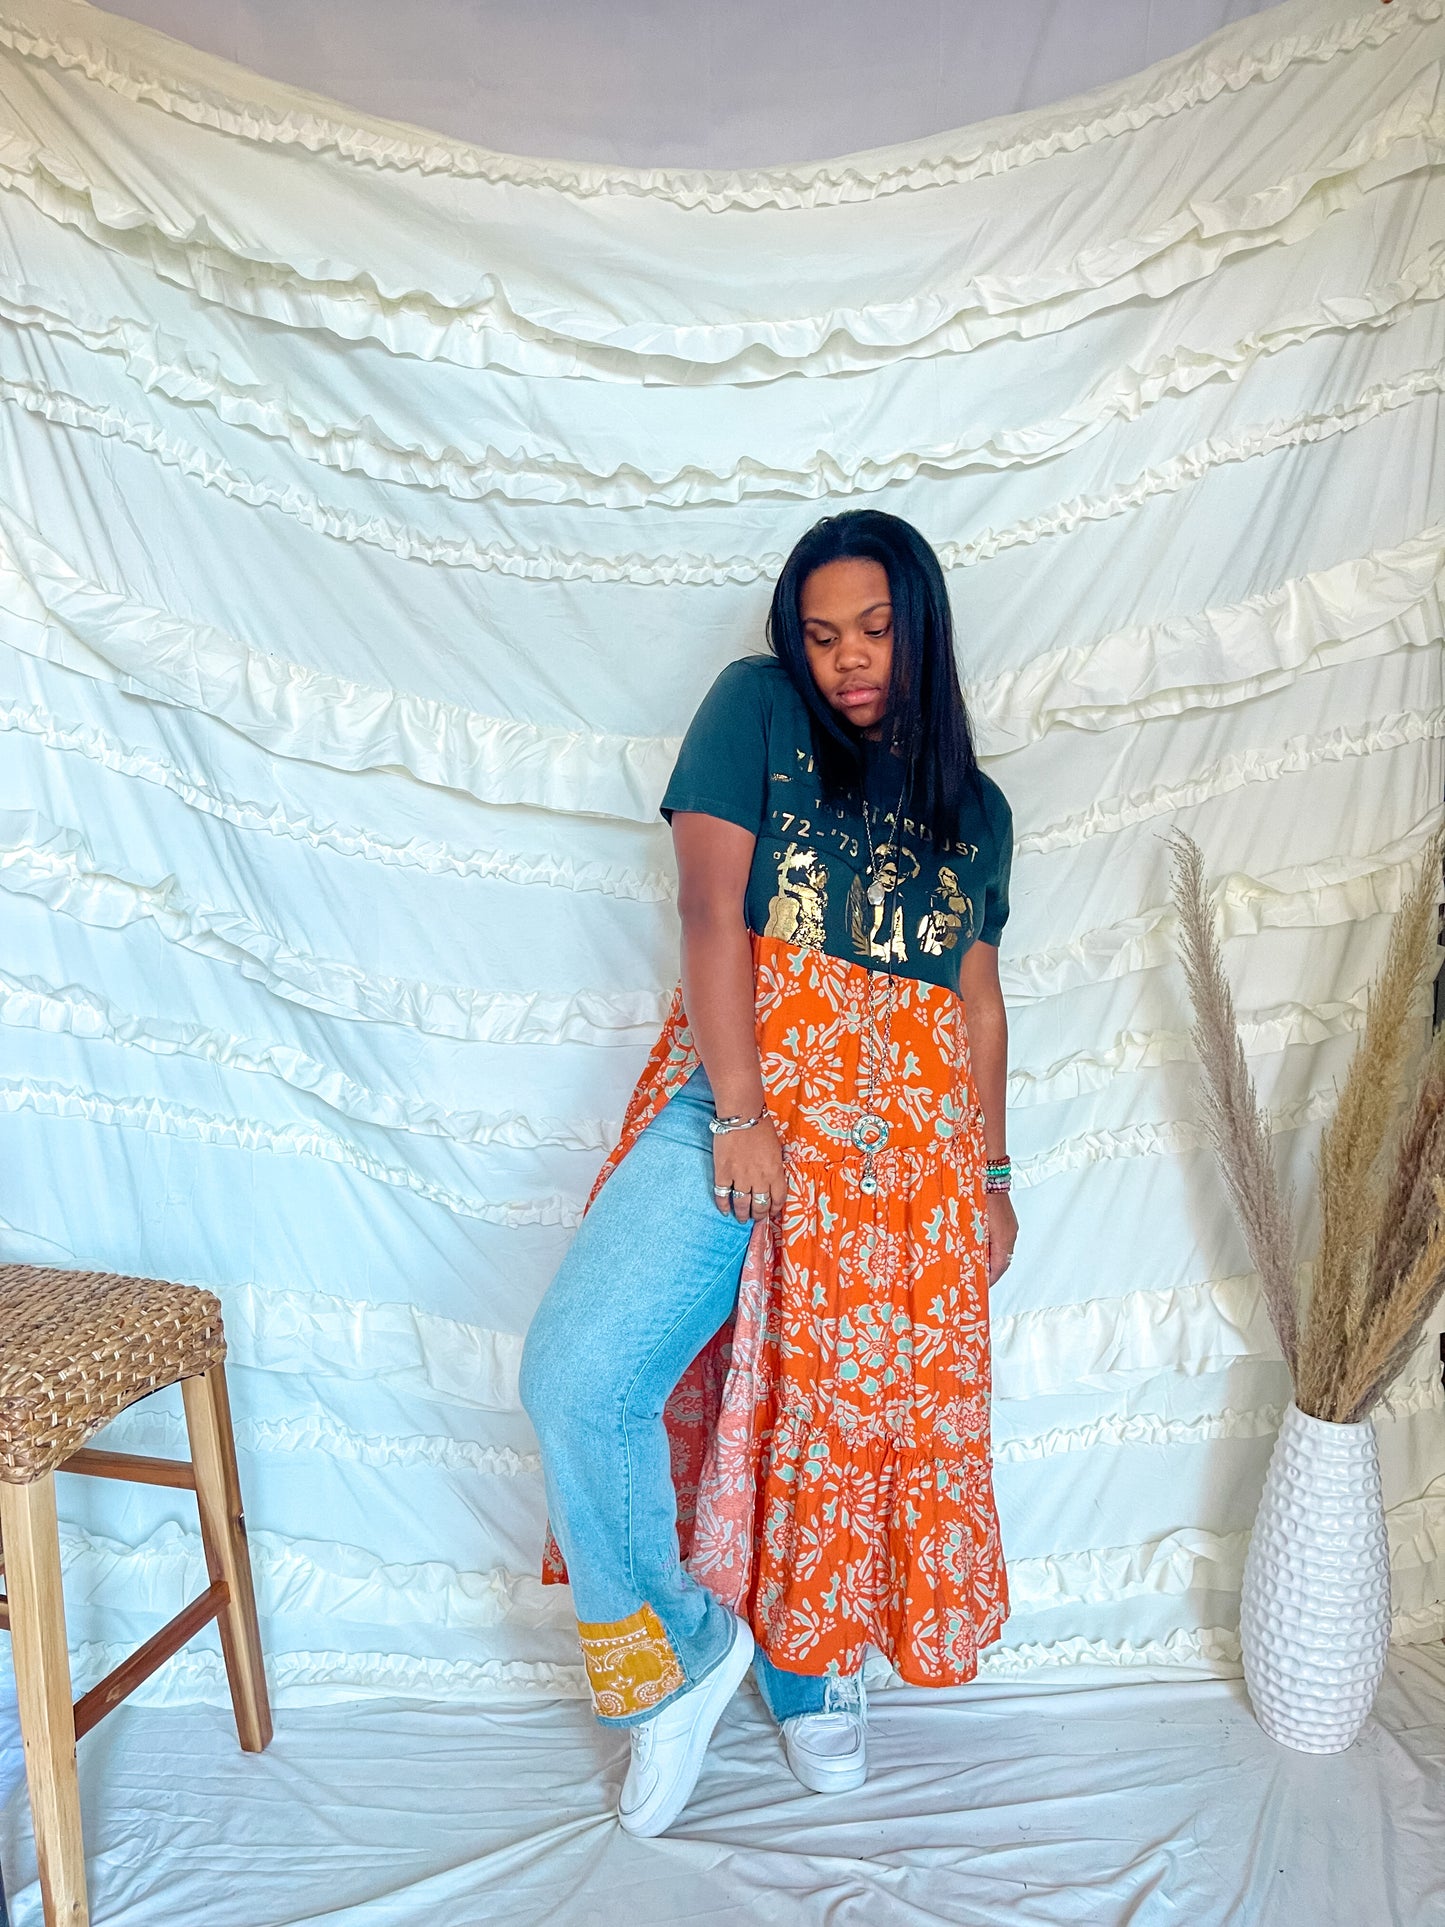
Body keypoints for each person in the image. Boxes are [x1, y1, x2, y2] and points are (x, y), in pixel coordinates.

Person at [520, 508, 1016, 1837]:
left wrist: (988, 1172)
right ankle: (676, 1662)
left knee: (830, 1421)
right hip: (736, 1108)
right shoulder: (755, 711)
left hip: (901, 1164)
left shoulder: (974, 811)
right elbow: (708, 911)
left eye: (876, 631)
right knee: (579, 1375)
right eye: (823, 633)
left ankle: (812, 1663)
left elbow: (976, 1005)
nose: (848, 658)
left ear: (920, 634)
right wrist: (740, 1114)